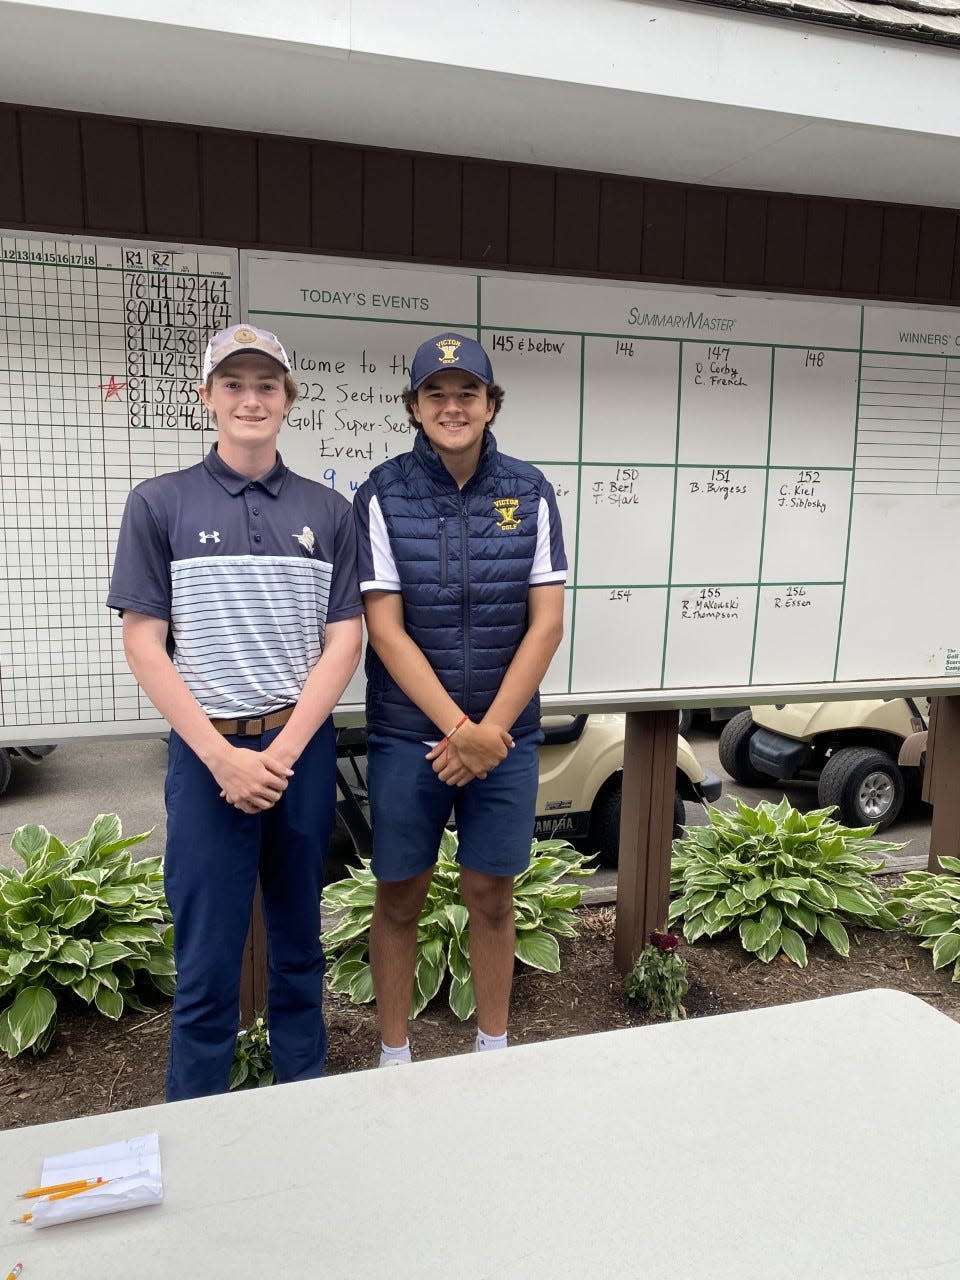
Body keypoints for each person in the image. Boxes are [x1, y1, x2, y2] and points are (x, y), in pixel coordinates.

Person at [106, 323, 362, 1100]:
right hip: (206, 757)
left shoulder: (330, 511)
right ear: (207, 398)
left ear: (288, 399)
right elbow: (146, 643)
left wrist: (279, 756)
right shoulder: (160, 504)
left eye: (267, 386)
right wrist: (224, 759)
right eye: (234, 385)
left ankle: (304, 1101)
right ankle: (197, 1127)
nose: (251, 400)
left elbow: (343, 640)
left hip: (299, 756)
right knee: (208, 961)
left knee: (299, 947)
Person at [353, 331, 567, 1065]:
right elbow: (384, 629)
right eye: (435, 394)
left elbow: (547, 625)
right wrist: (457, 731)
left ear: (491, 403)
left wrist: (490, 734)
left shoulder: (530, 491)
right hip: (409, 733)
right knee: (399, 898)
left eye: (466, 393)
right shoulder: (381, 493)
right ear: (414, 407)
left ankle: (494, 1049)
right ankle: (393, 1056)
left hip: (506, 738)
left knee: (492, 896)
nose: (452, 406)